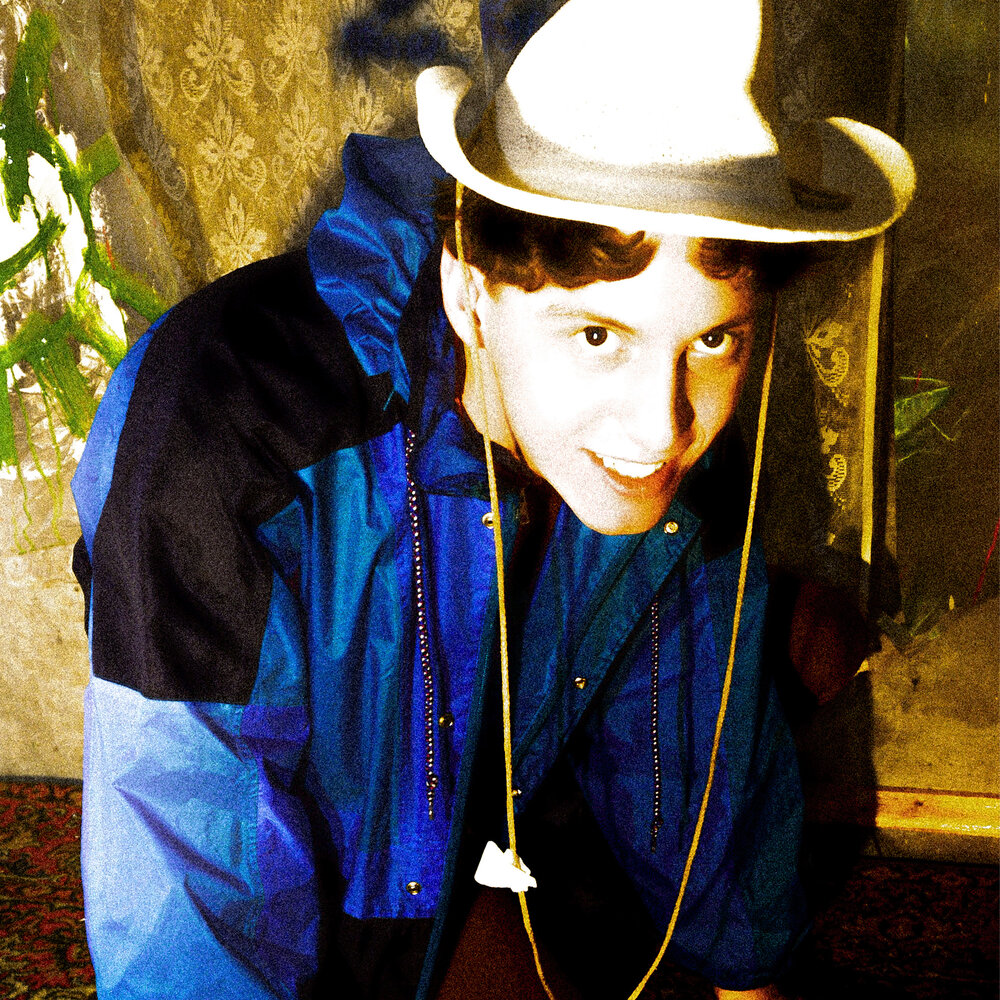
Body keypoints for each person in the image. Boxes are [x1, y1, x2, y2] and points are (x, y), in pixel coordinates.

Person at [70, 0, 913, 998]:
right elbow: (187, 872)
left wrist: (746, 971)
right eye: (597, 336)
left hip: (495, 829)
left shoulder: (676, 452)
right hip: (300, 873)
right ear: (471, 288)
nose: (662, 426)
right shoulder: (218, 433)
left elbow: (691, 743)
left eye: (714, 339)